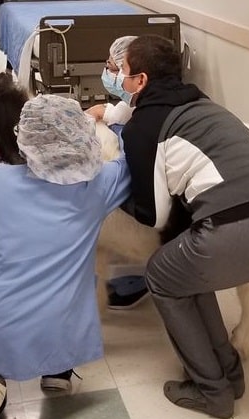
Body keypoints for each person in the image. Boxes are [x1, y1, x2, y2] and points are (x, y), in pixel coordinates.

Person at [0, 94, 131, 419]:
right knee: (67, 295)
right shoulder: (97, 186)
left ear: (24, 137)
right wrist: (117, 115)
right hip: (61, 327)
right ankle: (58, 372)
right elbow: (127, 162)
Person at [118, 34, 249, 418]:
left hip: (236, 228)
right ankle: (229, 371)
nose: (119, 77)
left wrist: (118, 197)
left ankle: (211, 390)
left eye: (123, 71)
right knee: (187, 273)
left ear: (141, 81)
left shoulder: (143, 127)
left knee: (161, 274)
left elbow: (155, 215)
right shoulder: (201, 103)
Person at [87, 36, 149, 310]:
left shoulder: (146, 122)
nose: (109, 73)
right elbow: (119, 112)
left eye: (115, 68)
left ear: (140, 78)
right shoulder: (134, 105)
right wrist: (102, 112)